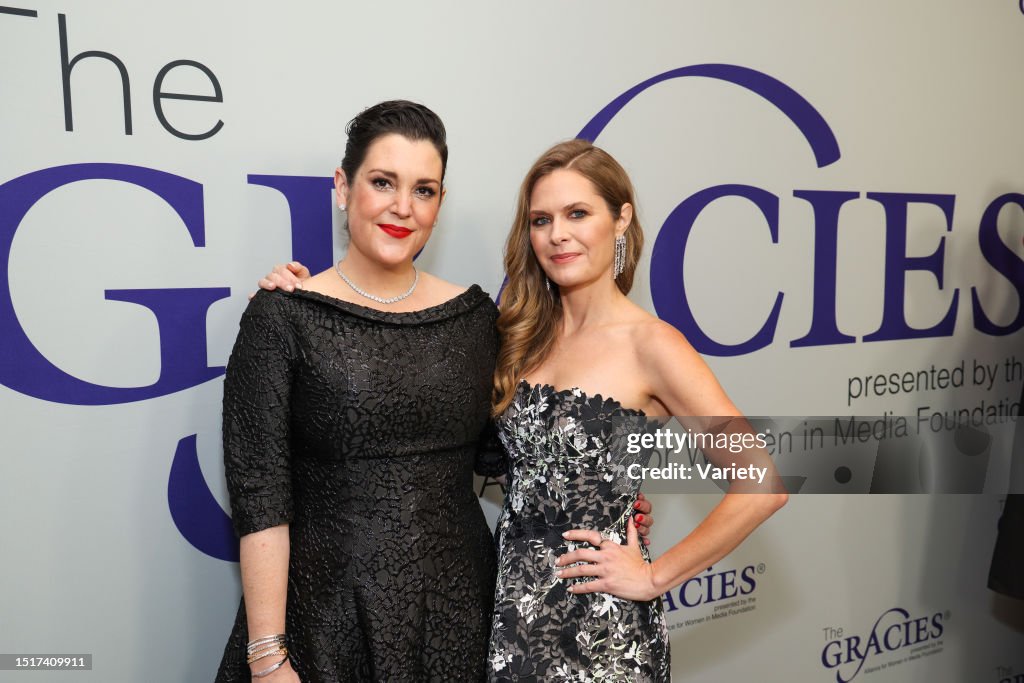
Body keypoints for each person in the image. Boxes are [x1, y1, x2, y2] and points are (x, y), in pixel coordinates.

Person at [221, 101, 655, 682]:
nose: (403, 207)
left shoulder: (475, 320)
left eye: (423, 190)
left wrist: (614, 492)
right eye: (383, 182)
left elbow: (515, 453)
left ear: (440, 203)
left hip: (460, 615)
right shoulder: (283, 317)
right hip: (324, 618)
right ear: (343, 188)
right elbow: (261, 500)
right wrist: (267, 656)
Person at [484, 139, 788, 680]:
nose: (557, 234)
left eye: (578, 213)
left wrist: (653, 577)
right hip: (513, 613)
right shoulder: (520, 334)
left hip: (602, 629)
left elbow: (761, 483)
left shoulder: (653, 345)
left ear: (620, 219)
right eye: (541, 220)